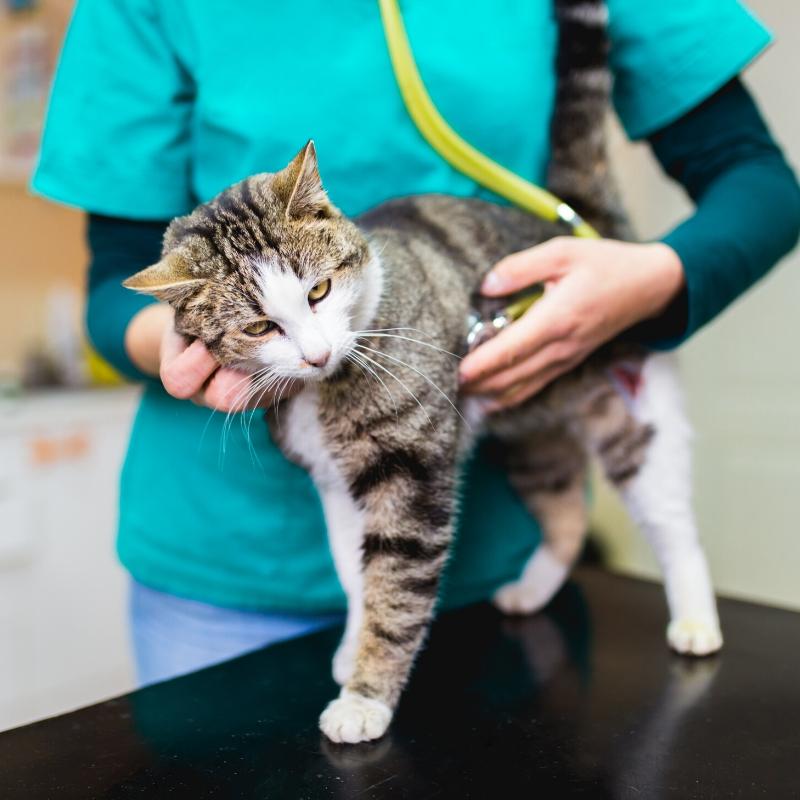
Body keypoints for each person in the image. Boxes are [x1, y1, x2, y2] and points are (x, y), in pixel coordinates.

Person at [33, 0, 799, 686]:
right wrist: (198, 341)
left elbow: (757, 182)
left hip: (486, 556)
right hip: (224, 569)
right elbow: (115, 282)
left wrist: (655, 280)